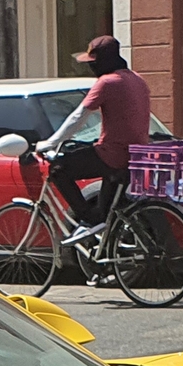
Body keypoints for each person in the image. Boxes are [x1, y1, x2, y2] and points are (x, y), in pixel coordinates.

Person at [36, 35, 149, 245]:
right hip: (135, 156)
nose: (91, 68)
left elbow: (78, 117)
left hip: (113, 154)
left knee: (59, 169)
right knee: (104, 216)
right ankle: (101, 262)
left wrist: (50, 142)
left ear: (102, 62)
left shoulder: (106, 82)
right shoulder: (136, 79)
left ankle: (84, 223)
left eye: (93, 63)